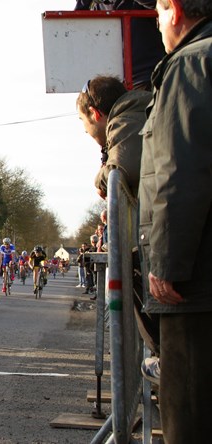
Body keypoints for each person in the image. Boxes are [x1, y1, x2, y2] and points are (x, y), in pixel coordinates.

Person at [138, 1, 212, 440]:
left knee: (189, 416)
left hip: (196, 280)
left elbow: (179, 172)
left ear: (176, 10)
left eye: (159, 13)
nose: (157, 25)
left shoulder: (189, 64)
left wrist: (166, 263)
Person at [77, 75, 151, 199]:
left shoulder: (125, 123)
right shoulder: (141, 111)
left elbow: (120, 170)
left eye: (82, 119)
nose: (85, 130)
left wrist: (100, 181)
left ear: (94, 113)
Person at [74, 1, 165, 90]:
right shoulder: (97, 5)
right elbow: (74, 29)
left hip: (147, 78)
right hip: (111, 86)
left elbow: (160, 4)